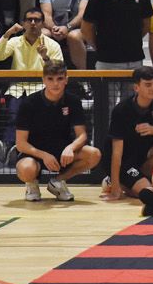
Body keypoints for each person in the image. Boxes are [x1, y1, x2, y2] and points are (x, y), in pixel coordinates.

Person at [11, 61, 100, 202]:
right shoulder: (29, 103)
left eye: (59, 78)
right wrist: (44, 155)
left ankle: (57, 182)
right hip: (34, 153)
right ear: (43, 80)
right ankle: (32, 184)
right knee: (26, 169)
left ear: (66, 79)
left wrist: (71, 148)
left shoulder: (73, 101)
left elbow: (82, 135)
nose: (55, 84)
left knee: (94, 154)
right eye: (50, 79)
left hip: (62, 151)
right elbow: (21, 143)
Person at [103, 66, 153, 201]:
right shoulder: (121, 110)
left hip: (143, 156)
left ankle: (134, 180)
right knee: (149, 193)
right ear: (136, 88)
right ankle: (115, 181)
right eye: (148, 85)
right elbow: (117, 153)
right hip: (124, 161)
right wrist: (116, 190)